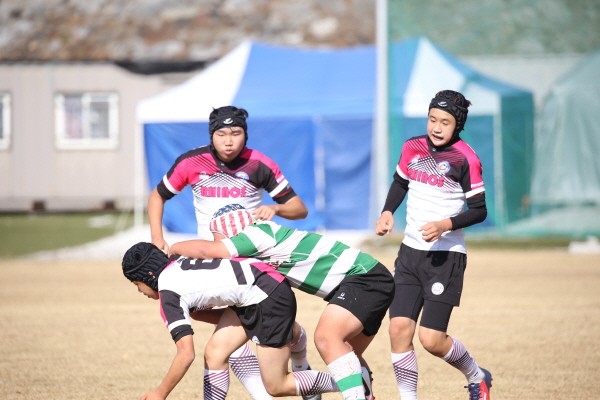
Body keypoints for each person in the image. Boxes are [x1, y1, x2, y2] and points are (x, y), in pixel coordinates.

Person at [147, 105, 311, 399]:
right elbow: (157, 195)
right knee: (213, 329)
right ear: (211, 135)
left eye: (236, 133)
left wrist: (276, 208)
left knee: (222, 346)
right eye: (221, 134)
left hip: (252, 263)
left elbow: (299, 209)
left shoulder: (259, 165)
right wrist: (157, 237)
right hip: (213, 261)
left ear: (245, 135)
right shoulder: (191, 162)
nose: (229, 140)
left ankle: (302, 356)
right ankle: (295, 342)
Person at [169, 203, 396, 400]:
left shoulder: (255, 236)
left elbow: (208, 250)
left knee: (328, 338)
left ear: (230, 230)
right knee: (347, 357)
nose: (218, 244)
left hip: (365, 277)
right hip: (365, 279)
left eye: (217, 237)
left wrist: (172, 249)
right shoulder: (257, 244)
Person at [374, 90, 492, 400]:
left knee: (431, 340)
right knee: (398, 330)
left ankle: (477, 377)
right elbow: (400, 182)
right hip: (410, 254)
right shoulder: (411, 147)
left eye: (445, 122)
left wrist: (444, 225)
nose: (437, 127)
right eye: (432, 119)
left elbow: (479, 210)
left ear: (458, 125)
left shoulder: (466, 158)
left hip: (445, 258)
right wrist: (387, 212)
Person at [121, 242, 339, 400]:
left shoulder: (168, 293)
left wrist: (160, 393)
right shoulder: (177, 262)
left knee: (276, 386)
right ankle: (292, 335)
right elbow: (207, 310)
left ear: (149, 275)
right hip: (261, 288)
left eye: (136, 284)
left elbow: (185, 354)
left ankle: (349, 382)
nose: (140, 291)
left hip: (266, 296)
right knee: (214, 354)